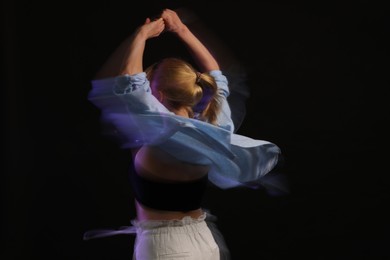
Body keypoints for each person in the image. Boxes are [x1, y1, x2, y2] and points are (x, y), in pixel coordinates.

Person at [83, 8, 282, 260]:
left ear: (160, 96)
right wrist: (182, 30)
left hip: (167, 248)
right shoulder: (213, 126)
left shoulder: (160, 130)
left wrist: (142, 34)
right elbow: (216, 77)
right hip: (204, 240)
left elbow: (129, 82)